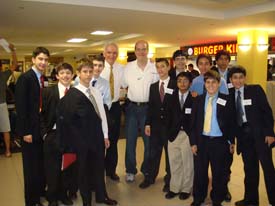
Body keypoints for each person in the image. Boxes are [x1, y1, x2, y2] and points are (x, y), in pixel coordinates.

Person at [57, 61, 117, 206]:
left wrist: (105, 135)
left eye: (90, 71)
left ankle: (102, 196)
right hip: (81, 140)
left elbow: (101, 114)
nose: (88, 74)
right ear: (78, 73)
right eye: (85, 71)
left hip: (97, 137)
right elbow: (68, 121)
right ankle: (86, 201)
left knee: (99, 168)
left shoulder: (95, 91)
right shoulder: (72, 95)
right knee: (83, 171)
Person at [228, 65, 275, 206]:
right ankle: (251, 200)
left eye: (241, 77)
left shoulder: (255, 90)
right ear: (231, 79)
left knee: (268, 169)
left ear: (245, 78)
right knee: (249, 169)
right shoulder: (229, 95)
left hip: (261, 136)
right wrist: (231, 141)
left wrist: (270, 133)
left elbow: (267, 112)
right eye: (235, 78)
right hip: (244, 137)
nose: (238, 81)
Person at [190, 70, 234, 206]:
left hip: (219, 142)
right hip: (202, 141)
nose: (211, 85)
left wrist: (231, 141)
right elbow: (193, 123)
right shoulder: (198, 100)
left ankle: (217, 199)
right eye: (208, 82)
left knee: (219, 173)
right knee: (200, 173)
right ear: (204, 84)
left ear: (219, 83)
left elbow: (231, 123)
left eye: (214, 82)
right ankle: (198, 198)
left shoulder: (226, 100)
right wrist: (193, 143)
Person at [15, 47, 49, 206]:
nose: (43, 62)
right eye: (40, 59)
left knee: (40, 164)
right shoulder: (25, 78)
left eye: (46, 60)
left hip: (40, 129)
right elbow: (21, 107)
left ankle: (40, 192)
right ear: (33, 59)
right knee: (30, 167)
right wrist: (25, 132)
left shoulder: (41, 78)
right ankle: (31, 200)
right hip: (29, 130)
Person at [123, 40, 159, 182]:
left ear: (147, 50)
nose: (141, 52)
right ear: (135, 51)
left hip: (148, 109)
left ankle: (146, 169)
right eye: (138, 49)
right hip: (132, 108)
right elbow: (124, 85)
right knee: (130, 141)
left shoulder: (154, 68)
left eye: (144, 49)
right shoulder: (128, 67)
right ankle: (130, 170)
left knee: (148, 142)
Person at [40, 63, 74, 206]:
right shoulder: (47, 92)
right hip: (52, 134)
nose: (65, 75)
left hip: (70, 137)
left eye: (68, 73)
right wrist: (44, 134)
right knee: (52, 168)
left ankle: (64, 194)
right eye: (62, 73)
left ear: (72, 76)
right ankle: (52, 197)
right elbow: (40, 115)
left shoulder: (76, 92)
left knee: (67, 167)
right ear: (57, 76)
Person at [139, 58, 175, 191]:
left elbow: (177, 108)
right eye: (158, 67)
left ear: (168, 68)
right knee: (153, 153)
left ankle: (169, 180)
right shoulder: (153, 86)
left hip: (169, 127)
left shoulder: (175, 84)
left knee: (169, 154)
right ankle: (150, 177)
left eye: (163, 67)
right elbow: (151, 106)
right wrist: (147, 123)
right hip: (155, 126)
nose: (160, 70)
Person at [165, 72, 194, 200]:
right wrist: (167, 131)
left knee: (187, 163)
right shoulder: (170, 97)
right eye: (179, 80)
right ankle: (174, 188)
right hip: (173, 134)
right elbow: (165, 116)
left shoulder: (195, 98)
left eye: (185, 80)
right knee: (174, 162)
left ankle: (186, 188)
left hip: (188, 135)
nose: (182, 83)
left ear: (190, 83)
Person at [101, 43, 125, 181]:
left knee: (114, 140)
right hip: (100, 107)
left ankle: (111, 170)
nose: (112, 55)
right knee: (99, 141)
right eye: (109, 52)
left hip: (115, 107)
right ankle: (99, 170)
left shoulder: (121, 68)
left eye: (115, 53)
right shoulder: (97, 67)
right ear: (104, 53)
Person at [212, 50, 233, 202]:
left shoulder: (234, 75)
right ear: (217, 60)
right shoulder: (212, 74)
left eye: (226, 59)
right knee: (215, 161)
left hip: (231, 119)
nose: (223, 61)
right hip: (215, 121)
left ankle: (224, 188)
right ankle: (215, 188)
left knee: (227, 160)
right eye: (221, 59)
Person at [0, 42, 17, 157]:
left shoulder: (3, 75)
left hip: (2, 105)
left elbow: (14, 65)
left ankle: (7, 150)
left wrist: (13, 51)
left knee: (6, 128)